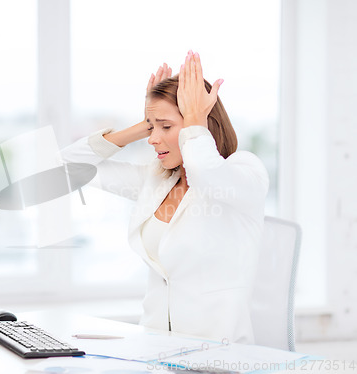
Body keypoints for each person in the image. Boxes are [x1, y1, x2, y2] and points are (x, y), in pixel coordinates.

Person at [61, 51, 269, 344]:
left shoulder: (244, 172)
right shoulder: (156, 180)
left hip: (218, 355)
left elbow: (206, 172)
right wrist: (146, 122)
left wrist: (196, 119)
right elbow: (68, 168)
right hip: (155, 349)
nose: (152, 139)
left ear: (203, 123)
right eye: (151, 127)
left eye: (166, 127)